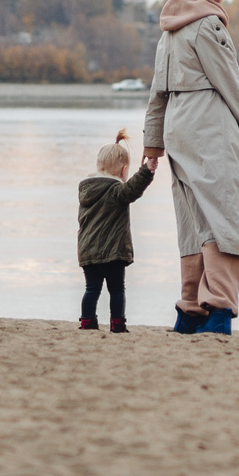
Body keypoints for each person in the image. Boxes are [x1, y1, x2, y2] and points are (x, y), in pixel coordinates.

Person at [142, 0, 239, 337]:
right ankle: (218, 309)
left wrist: (152, 147)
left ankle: (189, 311)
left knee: (195, 219)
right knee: (227, 214)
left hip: (178, 131)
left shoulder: (168, 33)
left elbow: (157, 95)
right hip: (209, 128)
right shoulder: (207, 26)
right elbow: (231, 84)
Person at [76, 129, 156, 333]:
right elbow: (132, 190)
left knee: (91, 289)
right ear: (123, 170)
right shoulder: (115, 190)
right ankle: (118, 324)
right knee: (117, 289)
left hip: (88, 251)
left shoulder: (87, 189)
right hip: (113, 252)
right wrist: (147, 171)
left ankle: (87, 322)